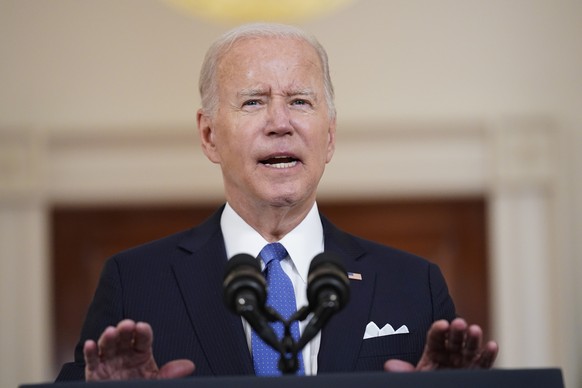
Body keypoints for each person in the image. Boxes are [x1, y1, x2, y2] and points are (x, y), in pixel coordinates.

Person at [55, 22, 498, 382]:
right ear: (209, 135)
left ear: (329, 136)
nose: (280, 123)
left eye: (300, 101)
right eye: (253, 102)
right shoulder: (135, 283)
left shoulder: (414, 284)